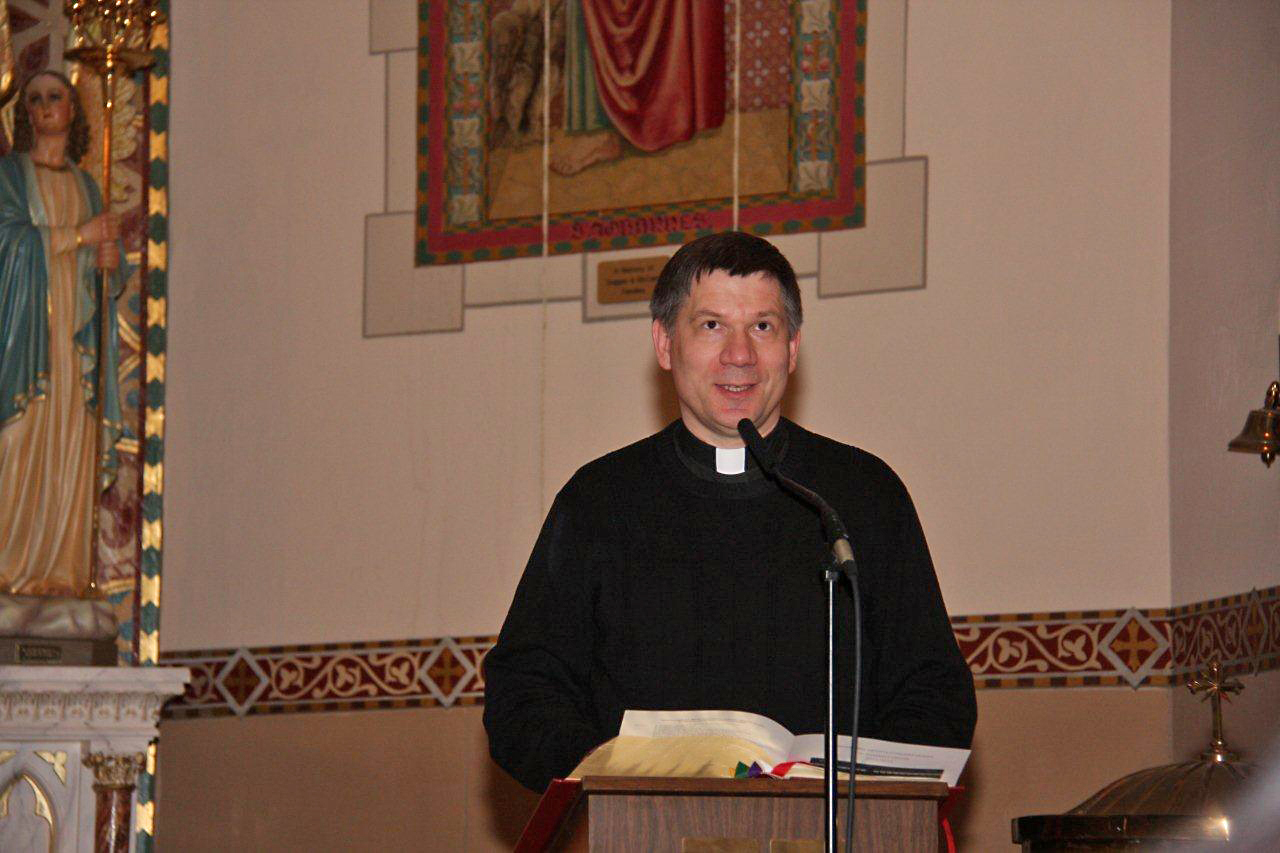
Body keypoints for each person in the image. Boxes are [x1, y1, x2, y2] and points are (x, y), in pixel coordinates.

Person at [484, 232, 976, 793]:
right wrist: (611, 779)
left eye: (762, 326)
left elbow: (934, 691)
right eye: (711, 325)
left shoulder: (862, 495)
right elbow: (524, 692)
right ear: (665, 344)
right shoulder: (598, 501)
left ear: (792, 348)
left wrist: (860, 795)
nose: (739, 355)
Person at [0, 69, 123, 597]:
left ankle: (62, 575)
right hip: (25, 340)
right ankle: (9, 571)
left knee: (71, 449)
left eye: (55, 97)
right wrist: (79, 235)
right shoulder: (10, 175)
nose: (45, 106)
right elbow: (7, 242)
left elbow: (105, 273)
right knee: (19, 444)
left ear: (74, 110)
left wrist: (109, 260)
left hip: (74, 346)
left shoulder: (87, 185)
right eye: (35, 100)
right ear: (24, 114)